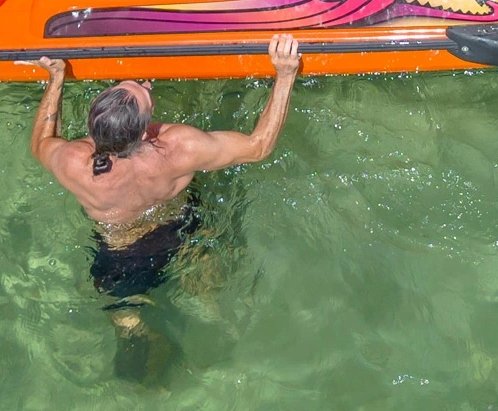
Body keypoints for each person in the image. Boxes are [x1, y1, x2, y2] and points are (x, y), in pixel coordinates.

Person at [26, 33, 302, 380]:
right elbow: (258, 147)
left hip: (121, 255)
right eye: (145, 92)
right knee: (215, 306)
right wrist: (286, 74)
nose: (145, 82)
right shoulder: (179, 148)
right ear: (142, 134)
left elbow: (40, 142)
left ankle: (145, 375)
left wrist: (56, 79)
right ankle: (229, 358)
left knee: (127, 323)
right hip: (185, 232)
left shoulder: (73, 163)